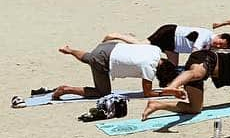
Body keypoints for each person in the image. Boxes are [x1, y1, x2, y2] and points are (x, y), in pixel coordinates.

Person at [142, 46, 230, 120]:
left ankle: (156, 105)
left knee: (195, 108)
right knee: (197, 73)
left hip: (205, 72)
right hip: (208, 58)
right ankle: (172, 86)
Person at [51, 39, 179, 100]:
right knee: (102, 92)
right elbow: (147, 93)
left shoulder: (155, 50)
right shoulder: (149, 68)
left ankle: (70, 50)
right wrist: (168, 92)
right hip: (103, 59)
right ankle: (66, 89)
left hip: (109, 47)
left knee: (90, 57)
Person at [104, 24, 230, 67]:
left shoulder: (210, 44)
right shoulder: (205, 36)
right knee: (142, 45)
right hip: (168, 34)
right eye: (220, 43)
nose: (218, 46)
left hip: (174, 46)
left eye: (221, 47)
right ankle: (117, 36)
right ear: (219, 36)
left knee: (173, 67)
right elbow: (195, 51)